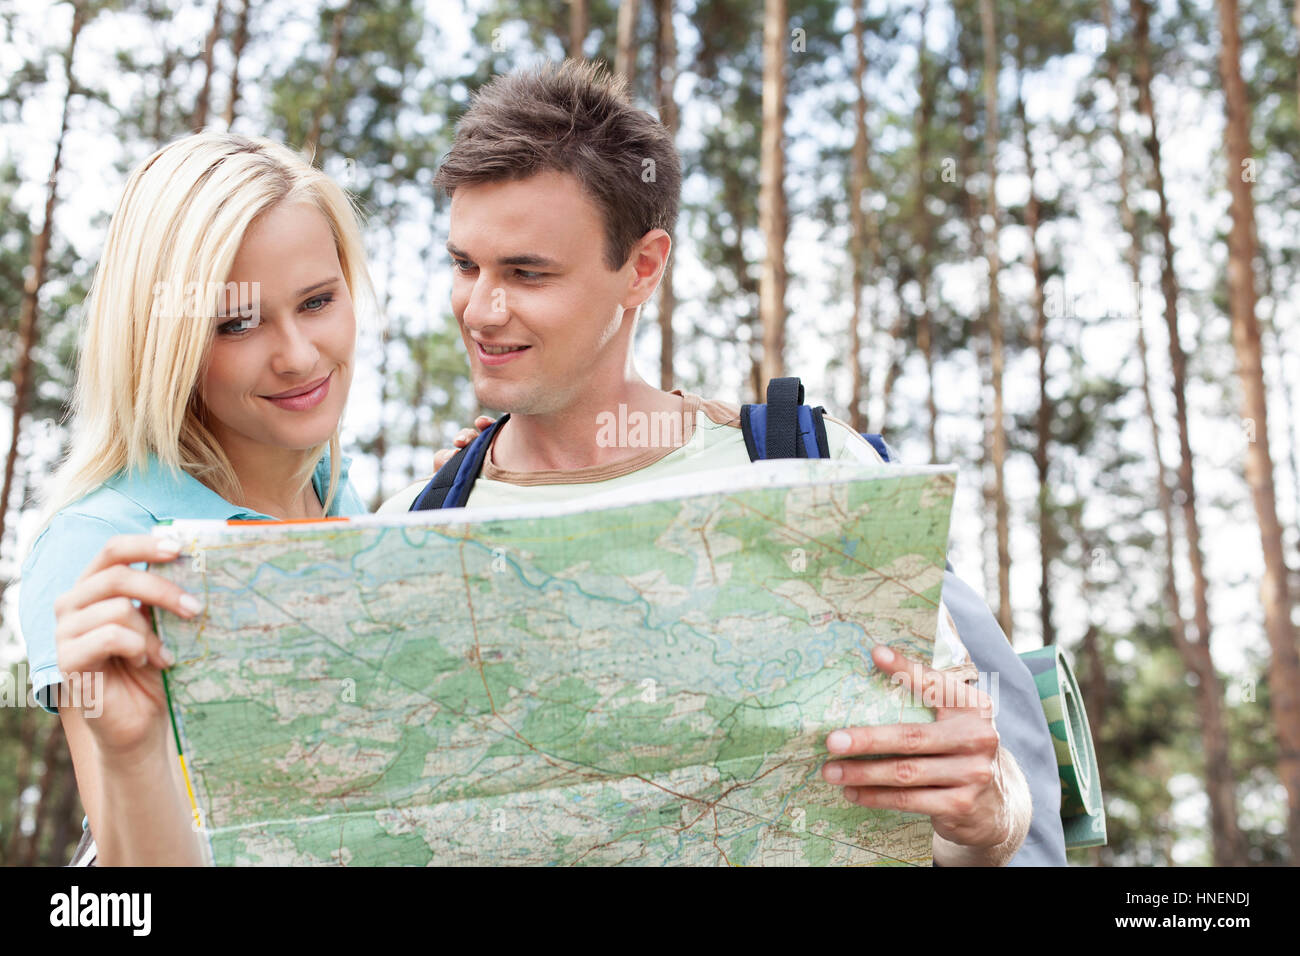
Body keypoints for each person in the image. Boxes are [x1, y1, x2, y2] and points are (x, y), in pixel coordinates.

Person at [381, 59, 1064, 865]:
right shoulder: (406, 531)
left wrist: (989, 815)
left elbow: (970, 794)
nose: (482, 311)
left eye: (527, 273)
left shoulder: (811, 470)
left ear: (642, 266)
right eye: (465, 265)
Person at [16, 131, 488, 866]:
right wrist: (134, 753)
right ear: (161, 339)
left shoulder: (338, 490)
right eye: (236, 323)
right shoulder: (99, 543)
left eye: (318, 301)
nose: (298, 355)